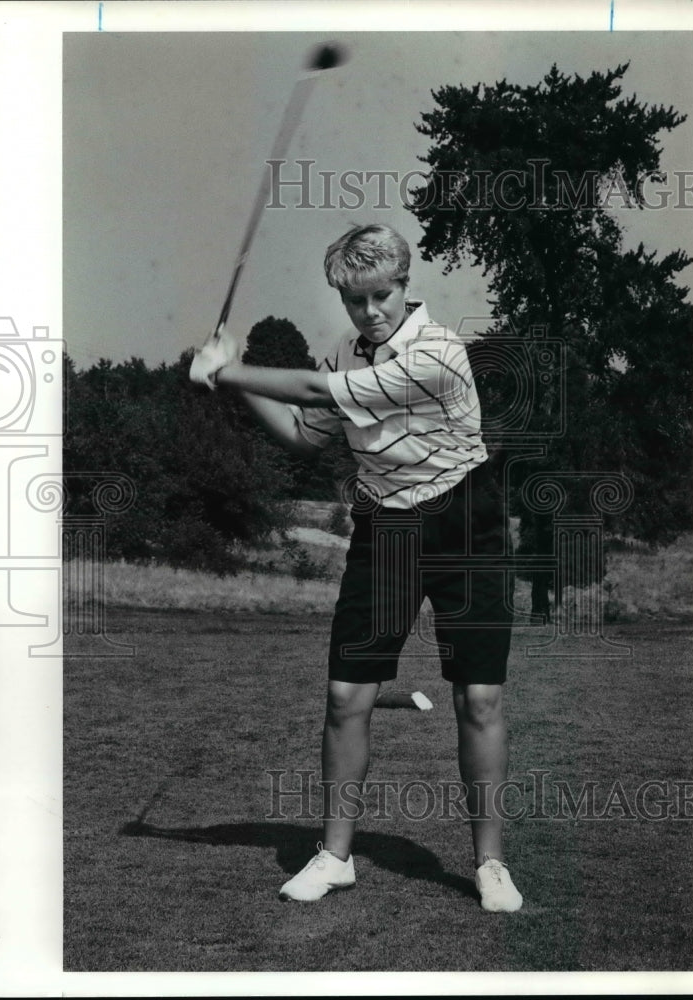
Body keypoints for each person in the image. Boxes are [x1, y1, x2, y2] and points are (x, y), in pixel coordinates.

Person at [189, 223, 522, 912]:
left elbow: (315, 391)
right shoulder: (348, 349)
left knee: (479, 698)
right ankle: (336, 855)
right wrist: (231, 386)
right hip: (387, 526)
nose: (370, 312)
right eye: (354, 300)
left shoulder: (438, 352)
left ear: (405, 285)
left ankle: (490, 864)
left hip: (466, 522)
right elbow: (304, 434)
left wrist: (224, 368)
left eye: (382, 295)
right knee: (346, 695)